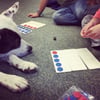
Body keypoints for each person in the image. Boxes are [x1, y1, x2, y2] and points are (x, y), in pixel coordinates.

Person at [28, 0, 100, 25]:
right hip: (66, 6)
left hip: (77, 1)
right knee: (57, 17)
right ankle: (83, 20)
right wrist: (38, 13)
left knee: (81, 13)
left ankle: (87, 18)